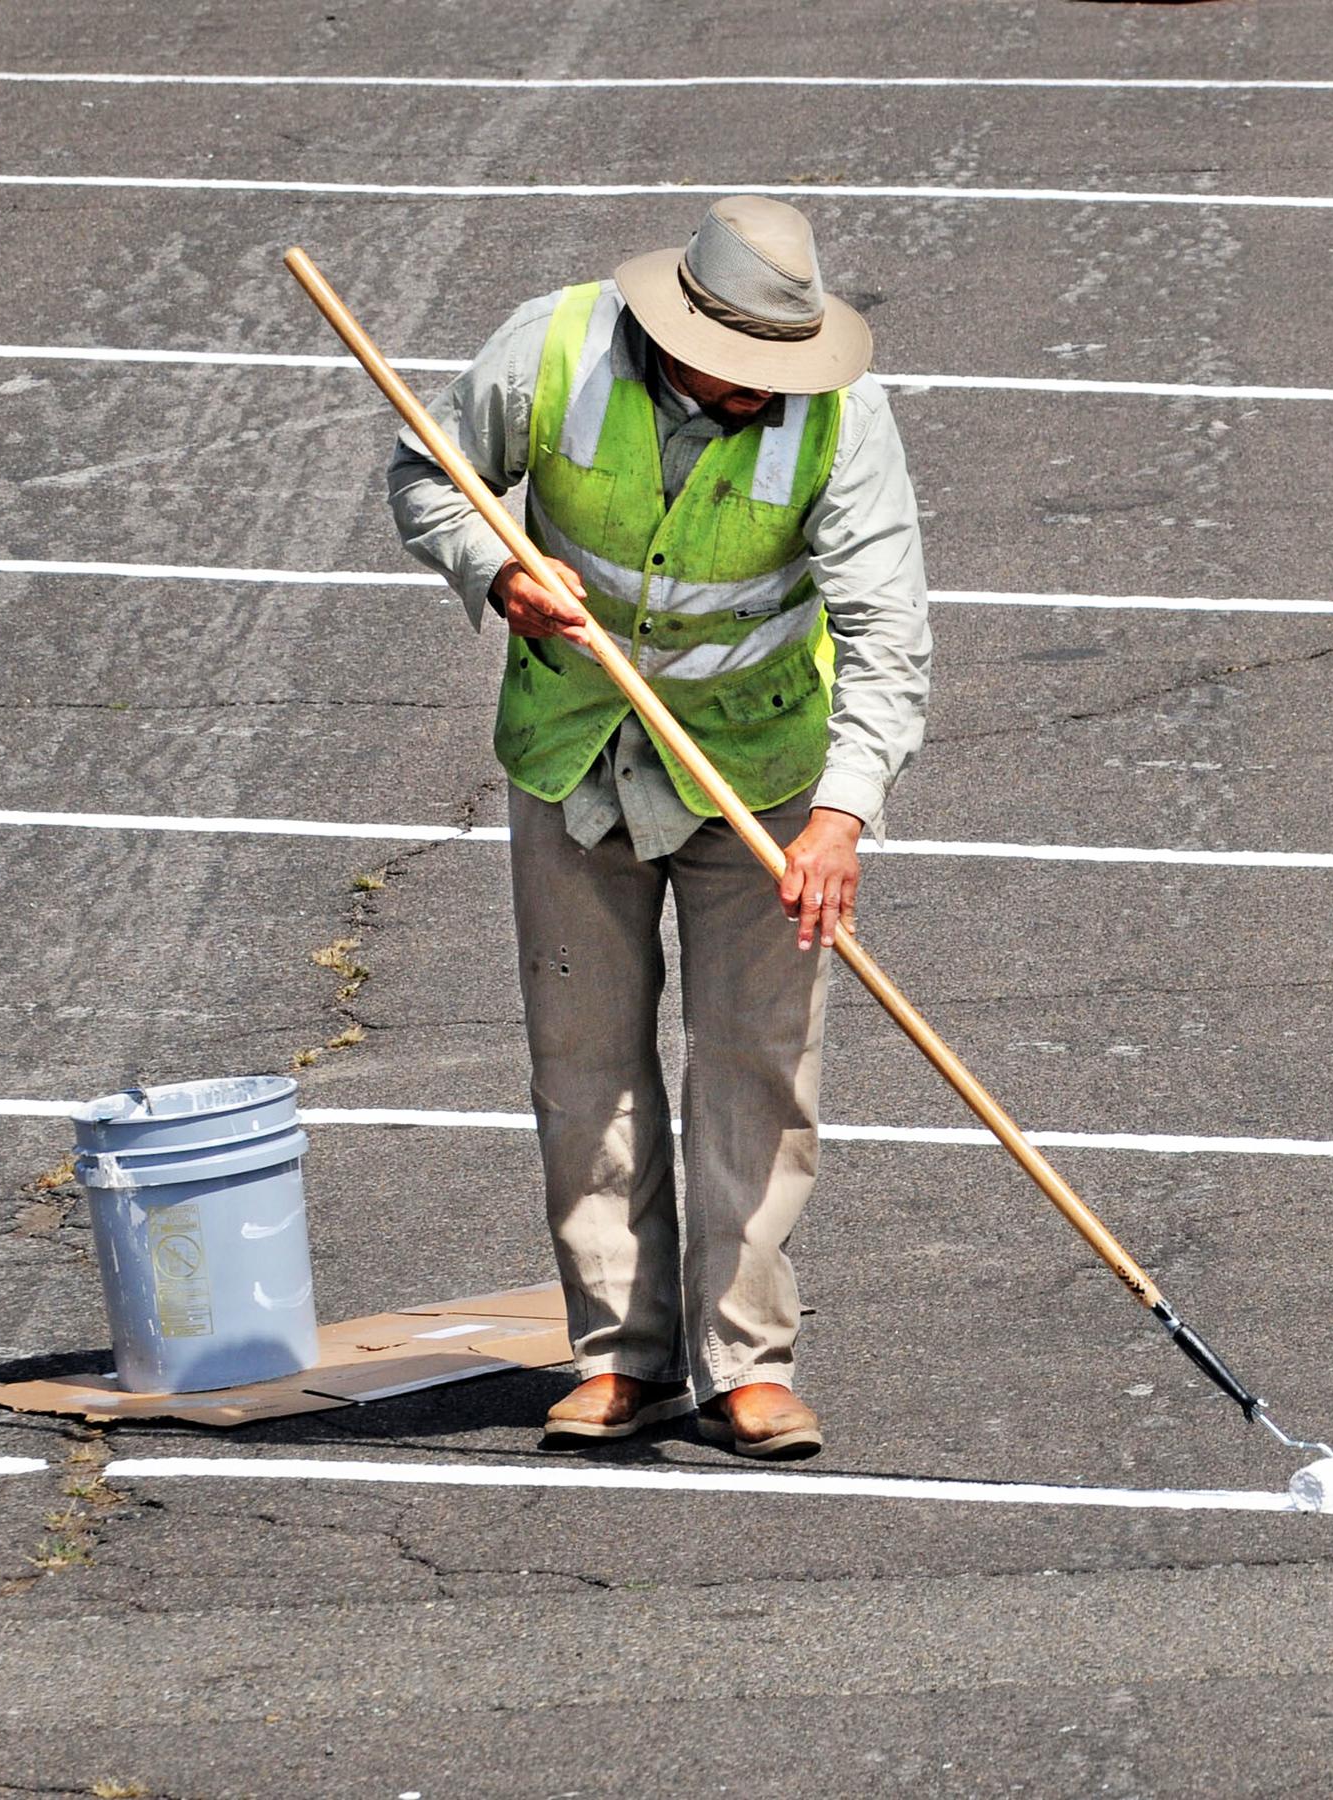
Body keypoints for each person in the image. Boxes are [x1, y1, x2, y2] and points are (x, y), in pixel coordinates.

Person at [387, 196, 930, 1458]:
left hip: (765, 775)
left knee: (756, 1067)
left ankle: (748, 1364)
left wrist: (843, 815)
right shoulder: (551, 348)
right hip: (577, 749)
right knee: (585, 1064)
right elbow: (427, 476)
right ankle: (622, 1358)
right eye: (736, 369)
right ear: (674, 328)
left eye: (775, 373)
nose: (758, 393)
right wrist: (499, 568)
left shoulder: (844, 417)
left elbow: (889, 631)